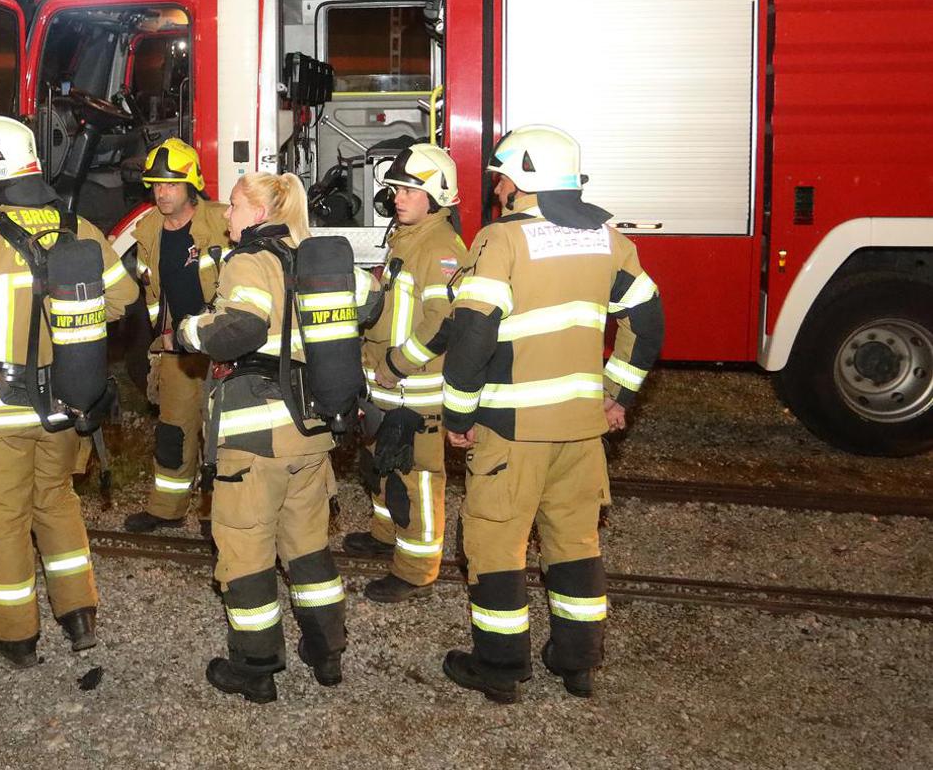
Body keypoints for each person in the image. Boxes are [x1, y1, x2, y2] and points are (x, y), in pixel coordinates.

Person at [439, 125, 663, 703]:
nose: (497, 188)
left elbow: (472, 333)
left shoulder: (502, 241)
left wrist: (459, 413)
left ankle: (500, 667)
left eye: (501, 178)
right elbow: (648, 319)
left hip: (512, 431)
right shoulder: (608, 240)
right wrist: (618, 394)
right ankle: (578, 662)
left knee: (495, 548)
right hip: (582, 431)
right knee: (575, 544)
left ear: (519, 182)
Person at [0, 115, 138, 667]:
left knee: (5, 521)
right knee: (59, 505)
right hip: (65, 407)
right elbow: (125, 299)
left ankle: (16, 636)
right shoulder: (78, 229)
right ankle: (79, 615)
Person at [177, 172, 380, 703]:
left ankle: (256, 666)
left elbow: (240, 328)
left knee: (245, 550)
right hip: (312, 430)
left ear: (260, 213)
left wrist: (190, 330)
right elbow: (371, 302)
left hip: (255, 434)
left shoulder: (248, 260)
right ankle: (327, 652)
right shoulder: (316, 258)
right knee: (308, 548)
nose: (226, 214)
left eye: (236, 205)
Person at [347, 143, 465, 604]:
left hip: (413, 386)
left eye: (409, 190)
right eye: (395, 188)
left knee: (416, 474)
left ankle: (416, 568)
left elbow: (442, 323)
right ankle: (386, 532)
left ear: (436, 194)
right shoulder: (406, 237)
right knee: (381, 460)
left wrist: (397, 364)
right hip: (384, 380)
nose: (397, 197)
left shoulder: (440, 248)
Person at [123, 138, 232, 533]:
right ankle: (166, 508)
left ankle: (215, 513)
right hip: (174, 348)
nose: (161, 193)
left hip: (220, 346)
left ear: (191, 185)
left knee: (221, 435)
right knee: (173, 429)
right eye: (155, 184)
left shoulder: (222, 223)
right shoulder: (148, 230)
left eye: (171, 184)